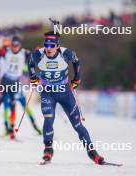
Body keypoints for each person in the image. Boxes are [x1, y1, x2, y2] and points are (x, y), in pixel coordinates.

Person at [28, 31, 105, 164]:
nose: (48, 48)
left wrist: (77, 79)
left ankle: (92, 152)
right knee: (49, 118)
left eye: (52, 46)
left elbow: (77, 62)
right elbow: (30, 64)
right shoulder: (38, 55)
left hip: (65, 92)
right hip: (48, 92)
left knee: (77, 124)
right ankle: (48, 150)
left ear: (57, 46)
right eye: (46, 45)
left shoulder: (66, 53)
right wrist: (33, 78)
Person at [0, 36, 31, 139]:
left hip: (15, 82)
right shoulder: (5, 51)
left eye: (16, 45)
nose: (14, 47)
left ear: (20, 45)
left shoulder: (24, 52)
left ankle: (11, 130)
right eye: (13, 45)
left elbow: (35, 57)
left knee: (13, 105)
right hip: (5, 81)